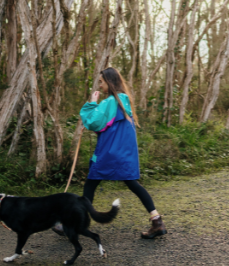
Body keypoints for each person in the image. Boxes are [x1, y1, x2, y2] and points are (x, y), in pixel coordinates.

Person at [54, 67, 166, 239]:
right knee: (133, 184)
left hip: (109, 153)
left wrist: (91, 103)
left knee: (90, 184)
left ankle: (73, 223)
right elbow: (108, 126)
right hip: (124, 154)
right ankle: (157, 221)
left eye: (101, 82)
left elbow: (92, 121)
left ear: (109, 82)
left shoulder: (110, 102)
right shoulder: (124, 102)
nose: (100, 86)